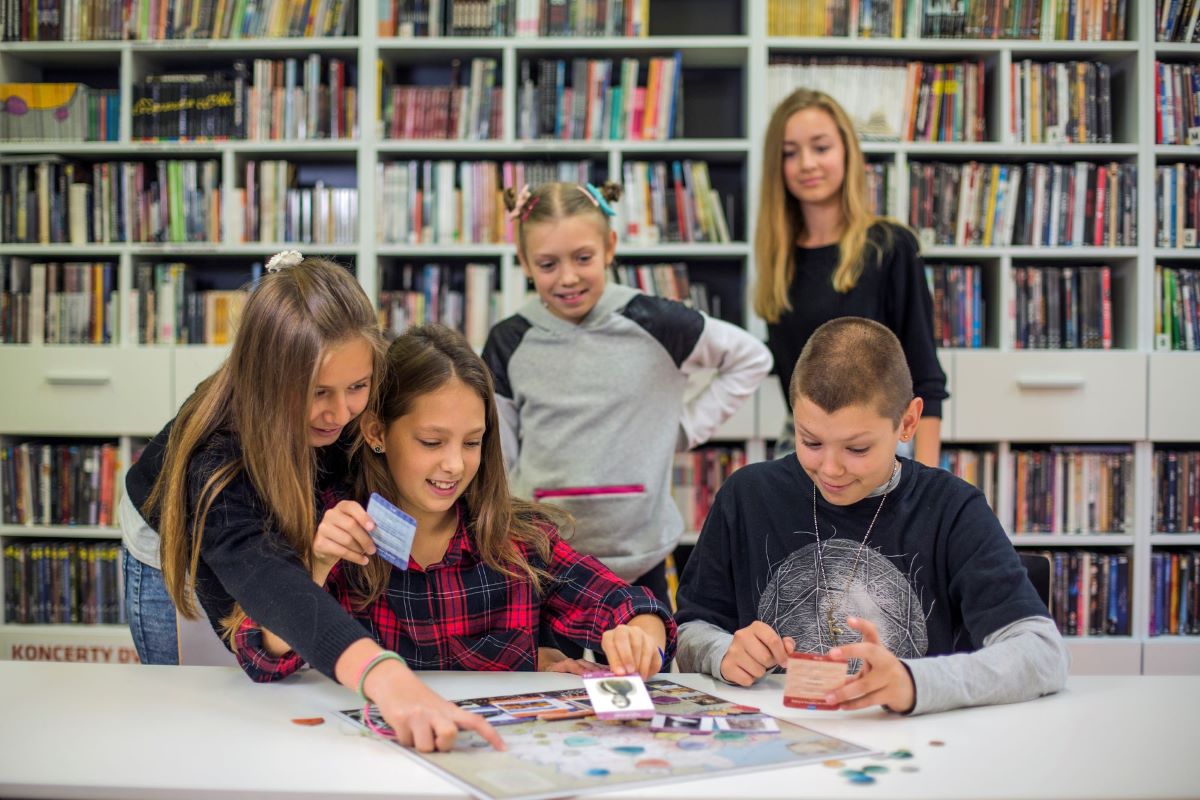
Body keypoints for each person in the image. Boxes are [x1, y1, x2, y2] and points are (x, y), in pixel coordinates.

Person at [126, 252, 501, 753]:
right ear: (267, 380)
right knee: (205, 710)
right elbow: (271, 584)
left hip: (291, 516)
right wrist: (388, 679)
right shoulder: (213, 462)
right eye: (317, 392)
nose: (341, 414)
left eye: (357, 387)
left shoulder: (356, 399)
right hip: (179, 541)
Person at [232, 324, 676, 682]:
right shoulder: (332, 526)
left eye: (472, 442)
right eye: (431, 441)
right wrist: (316, 566)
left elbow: (633, 606)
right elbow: (259, 657)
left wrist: (640, 638)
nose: (454, 465)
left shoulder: (518, 539)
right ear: (376, 432)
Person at [674, 317, 1069, 715]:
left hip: (913, 739)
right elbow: (689, 631)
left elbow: (1043, 653)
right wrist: (722, 652)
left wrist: (914, 682)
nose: (831, 469)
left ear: (908, 422)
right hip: (778, 733)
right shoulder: (746, 496)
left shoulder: (953, 509)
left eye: (857, 449)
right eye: (811, 442)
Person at [482, 181, 772, 624]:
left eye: (583, 258)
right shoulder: (508, 340)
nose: (568, 277)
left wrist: (683, 430)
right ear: (523, 261)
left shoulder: (656, 321)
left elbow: (751, 358)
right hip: (545, 561)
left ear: (610, 246)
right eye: (547, 264)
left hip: (641, 556)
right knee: (548, 668)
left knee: (649, 665)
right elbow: (500, 454)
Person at [755, 88, 947, 464]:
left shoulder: (890, 247)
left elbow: (925, 377)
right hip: (802, 447)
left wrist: (927, 484)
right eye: (790, 153)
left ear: (847, 151)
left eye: (821, 147)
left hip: (878, 447)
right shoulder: (779, 259)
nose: (807, 163)